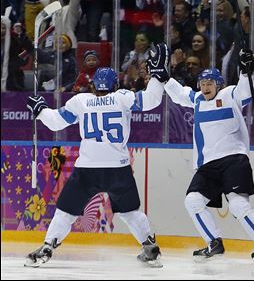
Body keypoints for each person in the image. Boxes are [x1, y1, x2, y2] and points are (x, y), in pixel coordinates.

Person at [25, 43, 170, 268]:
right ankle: (149, 246)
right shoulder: (123, 97)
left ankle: (47, 246)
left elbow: (54, 122)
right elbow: (152, 100)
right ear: (115, 84)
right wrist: (159, 76)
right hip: (118, 168)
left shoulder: (81, 101)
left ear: (94, 85)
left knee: (65, 212)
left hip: (88, 169)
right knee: (130, 212)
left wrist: (40, 110)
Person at [148, 47, 254, 264]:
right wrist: (164, 77)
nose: (206, 87)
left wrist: (246, 71)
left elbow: (246, 92)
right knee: (193, 201)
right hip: (208, 165)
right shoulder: (198, 99)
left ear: (219, 85)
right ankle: (214, 243)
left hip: (234, 159)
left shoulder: (229, 95)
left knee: (238, 205)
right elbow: (180, 94)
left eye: (210, 83)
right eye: (203, 83)